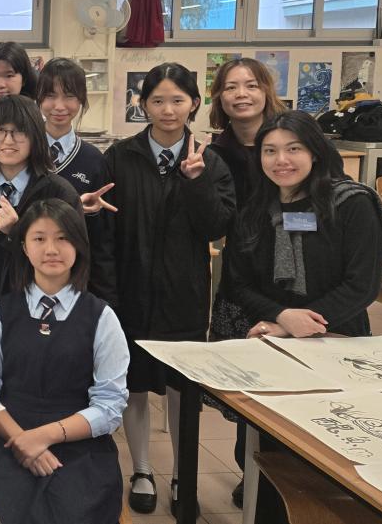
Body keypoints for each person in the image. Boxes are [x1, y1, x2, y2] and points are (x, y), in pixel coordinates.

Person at [98, 62, 234, 516]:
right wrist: (109, 295)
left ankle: (182, 473)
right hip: (130, 292)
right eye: (157, 100)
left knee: (181, 390)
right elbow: (107, 233)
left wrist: (196, 182)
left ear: (194, 103)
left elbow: (216, 226)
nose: (168, 109)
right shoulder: (120, 157)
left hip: (184, 296)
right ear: (143, 105)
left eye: (178, 100)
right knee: (132, 385)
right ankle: (141, 469)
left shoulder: (210, 161)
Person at [0, 199, 129, 524]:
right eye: (39, 238)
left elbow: (110, 405)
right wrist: (21, 441)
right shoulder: (1, 311)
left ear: (78, 246)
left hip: (78, 442)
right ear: (24, 247)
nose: (51, 249)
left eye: (63, 238)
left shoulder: (101, 317)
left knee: (76, 511)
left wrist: (43, 437)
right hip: (7, 436)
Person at [203, 57, 287, 506]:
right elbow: (216, 221)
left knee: (289, 382)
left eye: (251, 85)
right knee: (246, 385)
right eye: (231, 87)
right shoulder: (215, 152)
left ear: (266, 90)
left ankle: (288, 473)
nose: (241, 94)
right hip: (241, 278)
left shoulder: (292, 138)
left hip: (294, 275)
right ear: (219, 97)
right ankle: (250, 469)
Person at [227, 111, 382, 340]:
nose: (281, 160)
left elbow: (362, 285)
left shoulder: (351, 204)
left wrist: (295, 326)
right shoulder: (254, 209)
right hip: (268, 333)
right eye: (270, 151)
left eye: (293, 149)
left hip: (337, 334)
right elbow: (239, 284)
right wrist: (281, 316)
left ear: (314, 153)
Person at [0, 94, 81, 367]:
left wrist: (16, 233)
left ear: (35, 136)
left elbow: (72, 263)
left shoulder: (58, 193)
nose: (8, 141)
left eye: (19, 131)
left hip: (37, 315)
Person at [36, 57, 117, 305]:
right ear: (38, 98)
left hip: (77, 281)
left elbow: (102, 239)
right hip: (29, 275)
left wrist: (106, 299)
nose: (59, 106)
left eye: (69, 96)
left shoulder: (93, 160)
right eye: (50, 95)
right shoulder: (25, 152)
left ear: (81, 99)